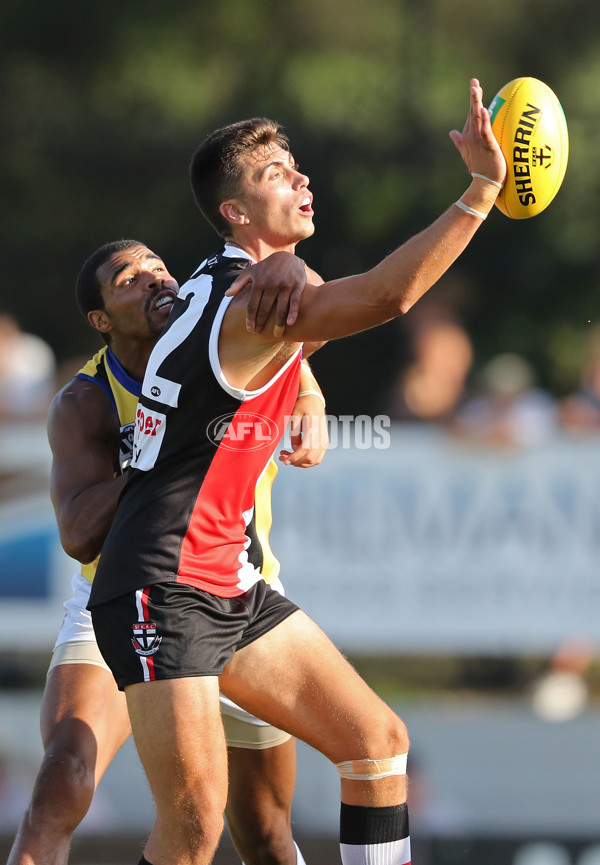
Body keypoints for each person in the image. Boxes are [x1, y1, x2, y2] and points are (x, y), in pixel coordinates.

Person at [88, 78, 506, 865]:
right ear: (234, 213)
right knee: (192, 829)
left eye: (296, 165)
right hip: (162, 583)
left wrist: (305, 373)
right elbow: (386, 297)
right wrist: (482, 189)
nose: (302, 178)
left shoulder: (236, 285)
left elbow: (271, 316)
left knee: (378, 741)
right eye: (276, 172)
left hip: (228, 580)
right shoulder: (244, 301)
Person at [7, 243, 328, 865]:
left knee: (264, 833)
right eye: (128, 279)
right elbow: (77, 534)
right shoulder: (86, 401)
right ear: (101, 321)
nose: (155, 277)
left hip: (240, 597)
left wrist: (309, 394)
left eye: (158, 265)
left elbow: (308, 324)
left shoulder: (218, 332)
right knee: (63, 780)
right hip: (123, 596)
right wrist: (159, 455)